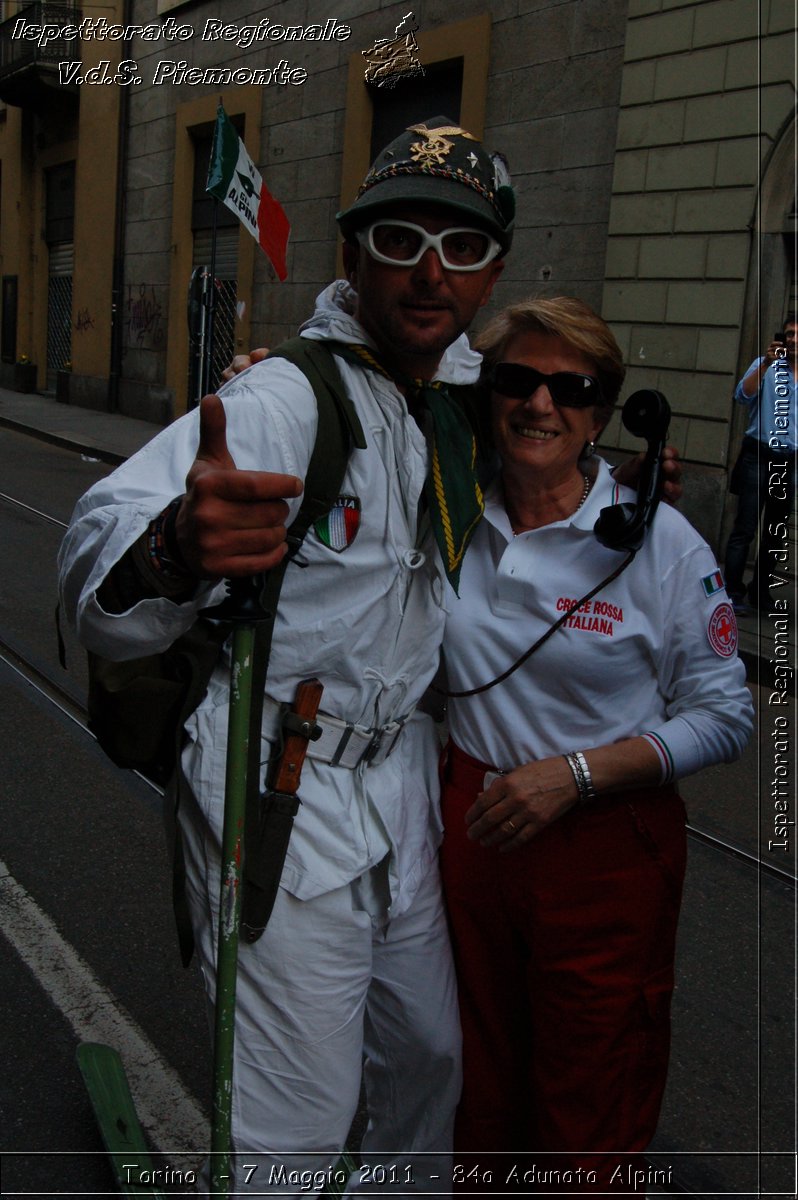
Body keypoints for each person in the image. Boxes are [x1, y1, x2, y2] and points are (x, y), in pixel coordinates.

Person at [59, 116, 679, 1193]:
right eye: (399, 241)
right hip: (276, 785)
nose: (429, 274)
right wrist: (172, 549)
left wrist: (620, 485)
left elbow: (550, 416)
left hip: (399, 784)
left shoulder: (465, 398)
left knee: (429, 1067)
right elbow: (94, 554)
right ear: (352, 255)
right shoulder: (284, 399)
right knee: (293, 1122)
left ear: (493, 271)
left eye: (463, 248)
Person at [437, 297, 753, 1193]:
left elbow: (725, 714)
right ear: (488, 394)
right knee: (477, 1076)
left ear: (603, 415)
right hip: (469, 827)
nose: (542, 405)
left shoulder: (659, 544)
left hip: (602, 843)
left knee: (590, 1095)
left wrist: (574, 777)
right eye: (519, 380)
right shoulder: (452, 511)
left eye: (571, 388)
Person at [724, 318, 797, 612]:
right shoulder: (764, 366)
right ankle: (731, 591)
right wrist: (765, 364)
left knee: (775, 531)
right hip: (759, 455)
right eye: (789, 333)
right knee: (745, 527)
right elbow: (741, 395)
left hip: (789, 462)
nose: (792, 339)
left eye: (797, 335)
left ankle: (761, 591)